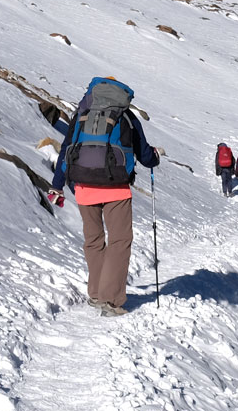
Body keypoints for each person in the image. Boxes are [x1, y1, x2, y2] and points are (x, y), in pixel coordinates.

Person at [48, 76, 162, 316]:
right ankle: (111, 301)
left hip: (83, 186)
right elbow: (144, 155)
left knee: (93, 240)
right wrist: (155, 157)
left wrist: (57, 184)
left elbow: (67, 149)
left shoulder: (82, 114)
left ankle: (97, 294)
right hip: (115, 187)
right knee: (119, 241)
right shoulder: (126, 117)